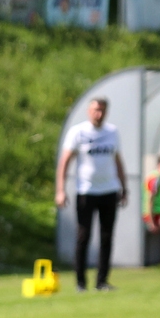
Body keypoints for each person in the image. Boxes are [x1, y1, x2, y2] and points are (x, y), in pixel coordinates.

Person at [55, 98, 128, 292]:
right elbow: (64, 162)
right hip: (86, 191)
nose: (99, 114)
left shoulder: (112, 132)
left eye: (102, 110)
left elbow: (118, 161)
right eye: (96, 110)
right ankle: (80, 283)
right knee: (83, 236)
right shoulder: (78, 132)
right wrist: (60, 190)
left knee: (106, 237)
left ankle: (102, 281)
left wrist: (124, 187)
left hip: (109, 190)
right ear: (89, 111)